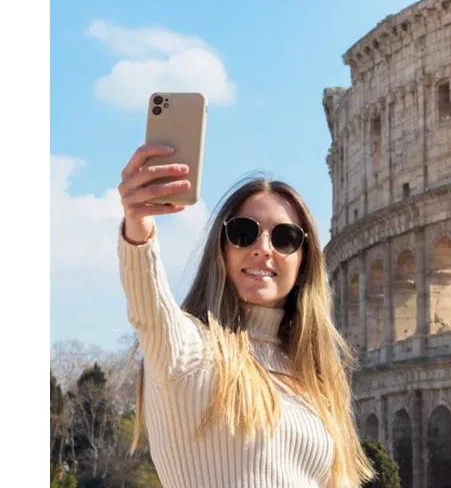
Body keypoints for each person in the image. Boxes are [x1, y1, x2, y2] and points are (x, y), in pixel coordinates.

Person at [116, 144, 374, 487]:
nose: (263, 248)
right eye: (244, 232)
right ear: (221, 248)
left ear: (304, 260)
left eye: (285, 238)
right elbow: (149, 308)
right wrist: (138, 224)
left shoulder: (316, 374)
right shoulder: (188, 351)